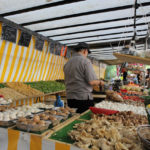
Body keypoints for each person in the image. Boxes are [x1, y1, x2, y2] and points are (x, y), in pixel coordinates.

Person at [63, 42, 104, 113]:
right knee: (84, 120)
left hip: (70, 97)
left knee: (73, 119)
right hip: (83, 98)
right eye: (87, 52)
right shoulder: (85, 61)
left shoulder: (68, 62)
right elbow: (92, 81)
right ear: (85, 51)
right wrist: (100, 82)